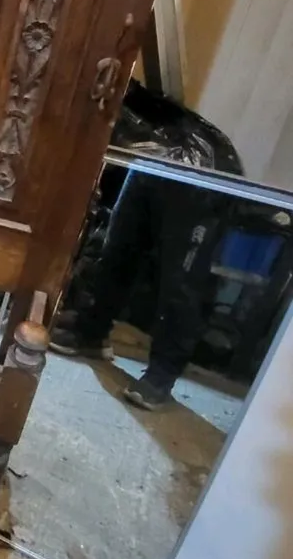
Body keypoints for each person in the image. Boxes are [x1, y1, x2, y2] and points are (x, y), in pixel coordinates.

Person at [50, 170, 226, 410]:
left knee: (182, 282)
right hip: (154, 161)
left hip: (206, 174)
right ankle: (92, 332)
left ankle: (162, 373)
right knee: (117, 251)